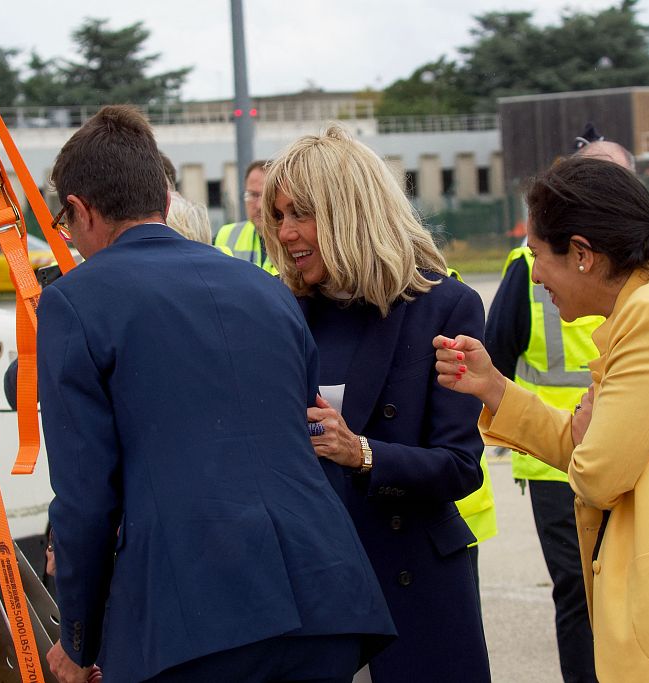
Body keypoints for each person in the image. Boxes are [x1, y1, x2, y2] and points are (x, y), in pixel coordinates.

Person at [38, 105, 395, 683]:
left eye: (65, 224)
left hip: (193, 625)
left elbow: (85, 499)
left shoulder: (76, 302)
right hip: (326, 600)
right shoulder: (267, 291)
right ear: (161, 194)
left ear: (79, 210)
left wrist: (77, 642)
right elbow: (309, 439)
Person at [434, 156, 649, 683]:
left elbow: (597, 474)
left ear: (582, 254)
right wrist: (494, 387)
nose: (534, 274)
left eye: (538, 254)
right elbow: (591, 449)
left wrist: (587, 441)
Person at [259, 124, 490, 683]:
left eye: (302, 214)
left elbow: (461, 466)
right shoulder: (279, 311)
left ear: (349, 211)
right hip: (312, 592)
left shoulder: (445, 306)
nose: (286, 233)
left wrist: (360, 452)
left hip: (413, 588)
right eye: (279, 216)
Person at [484, 135, 635, 683]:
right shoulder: (528, 264)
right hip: (552, 460)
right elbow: (497, 348)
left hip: (598, 455)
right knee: (579, 593)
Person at [214, 160, 278, 274]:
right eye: (253, 195)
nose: (259, 206)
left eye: (266, 195)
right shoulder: (225, 235)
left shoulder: (293, 239)